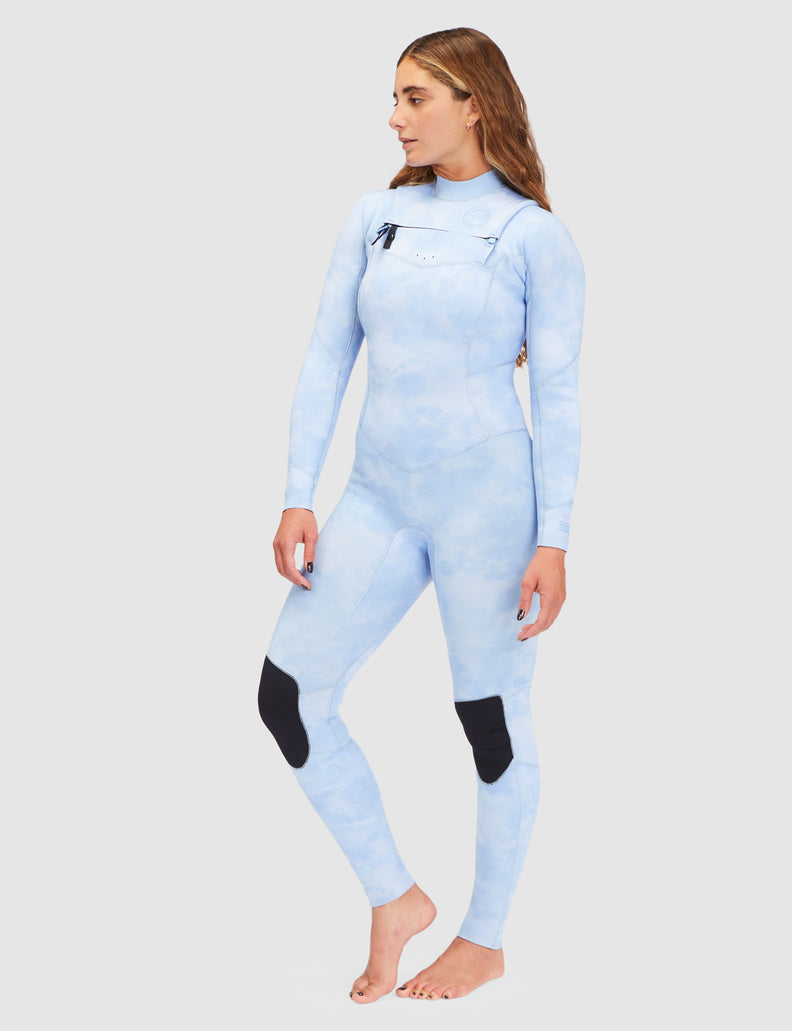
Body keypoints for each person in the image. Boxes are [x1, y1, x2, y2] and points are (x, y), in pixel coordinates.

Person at [257, 26, 586, 1003]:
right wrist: (298, 490)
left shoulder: (532, 236)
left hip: (489, 506)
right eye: (395, 97)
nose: (395, 117)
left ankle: (484, 937)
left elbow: (558, 397)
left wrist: (555, 539)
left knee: (488, 716)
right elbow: (327, 355)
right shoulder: (375, 218)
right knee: (288, 694)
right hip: (377, 496)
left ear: (473, 104)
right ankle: (396, 896)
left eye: (415, 98)